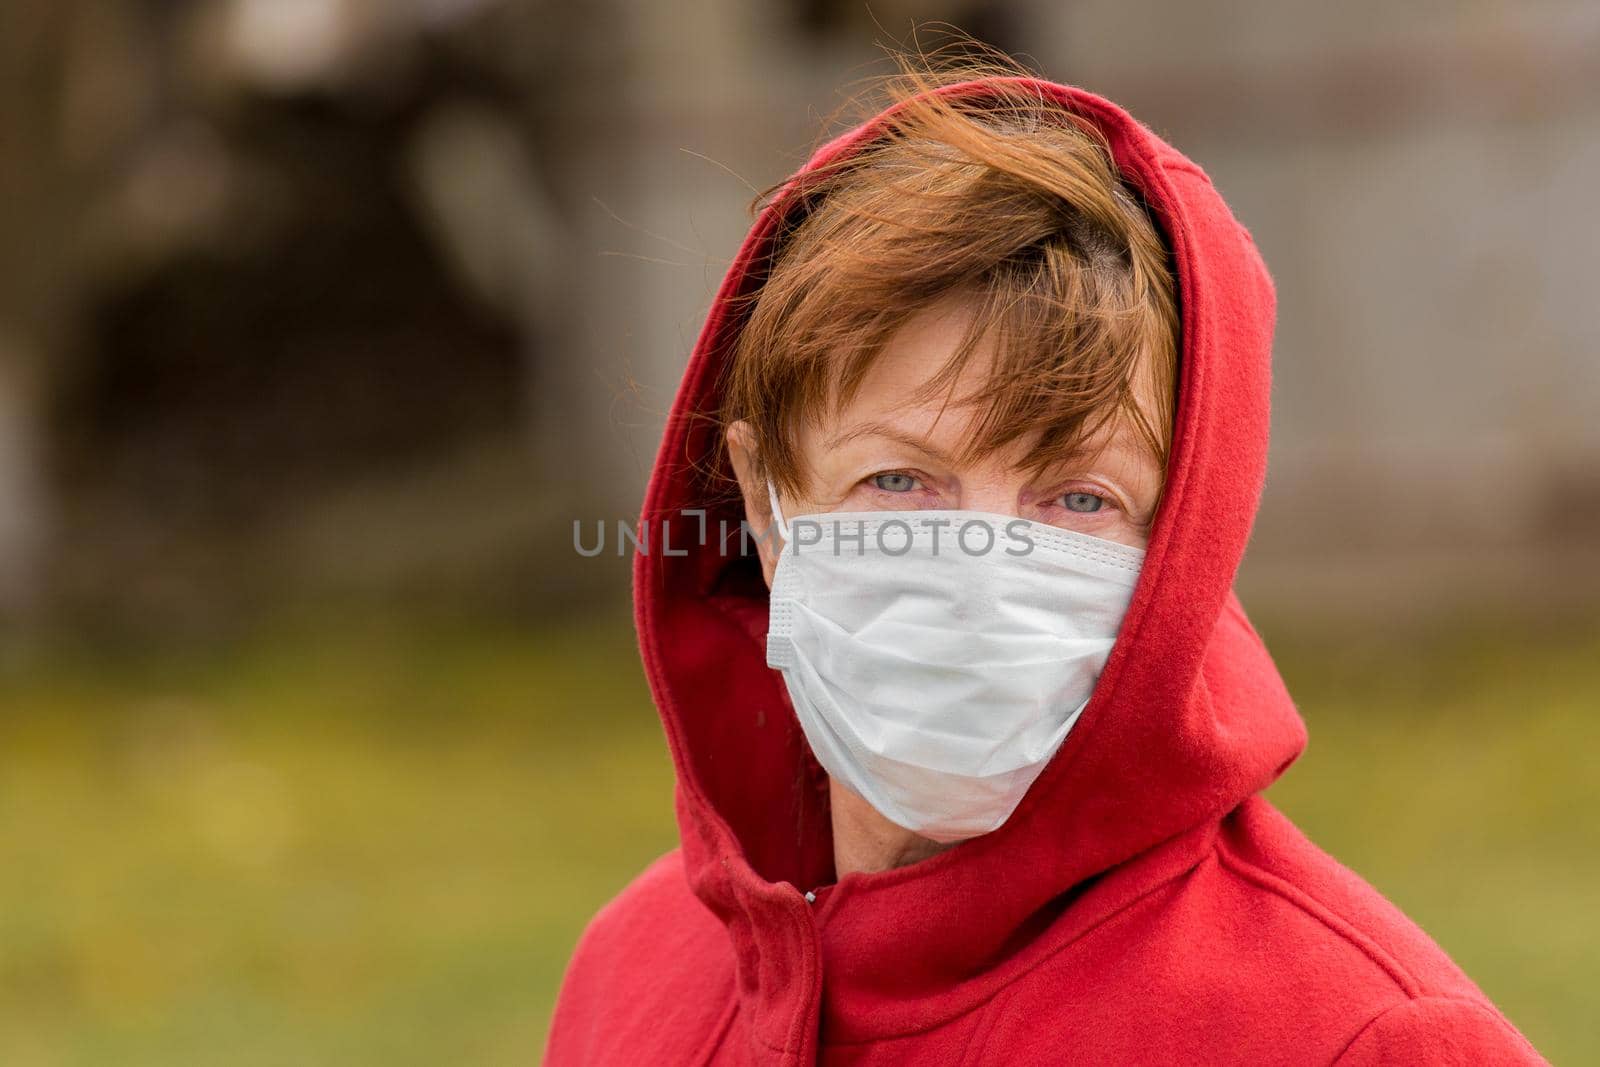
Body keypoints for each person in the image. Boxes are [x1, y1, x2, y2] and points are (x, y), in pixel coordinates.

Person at [544, 55, 1546, 1065]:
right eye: (899, 481)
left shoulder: (1355, 1035)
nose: (978, 572)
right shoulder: (633, 974)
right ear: (763, 503)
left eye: (1076, 498)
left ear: (1181, 543)